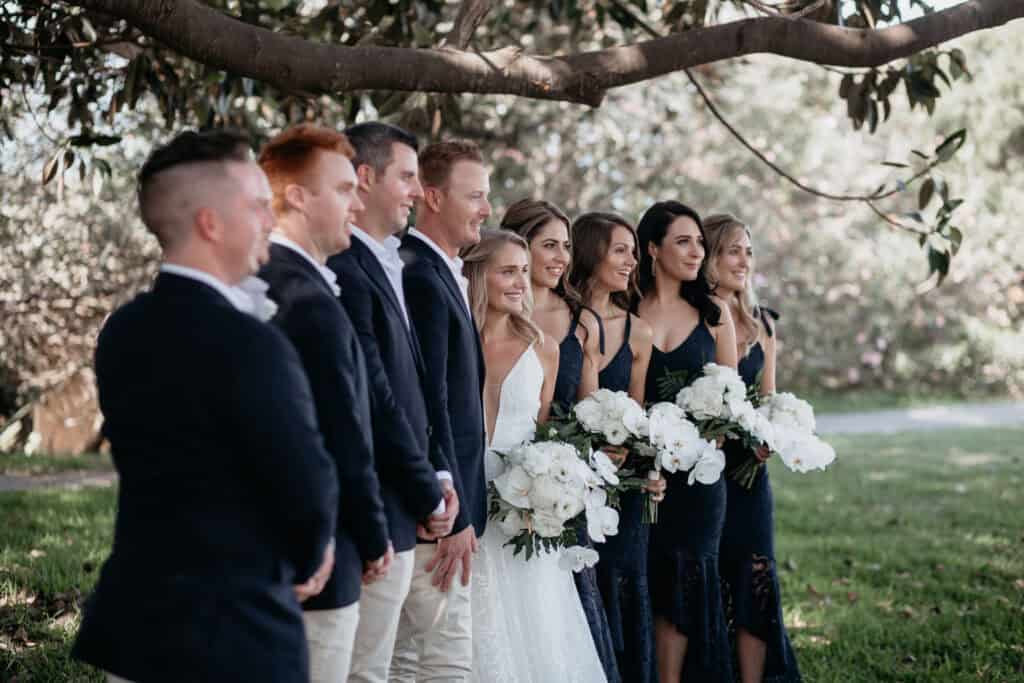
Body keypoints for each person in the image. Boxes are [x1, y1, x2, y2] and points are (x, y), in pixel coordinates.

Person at [73, 129, 338, 683]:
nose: (270, 219)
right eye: (257, 205)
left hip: (136, 626)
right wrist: (312, 553)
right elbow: (305, 482)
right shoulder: (251, 342)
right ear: (210, 224)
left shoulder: (122, 330)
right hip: (234, 632)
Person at [257, 124, 393, 682]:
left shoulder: (277, 280)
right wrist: (374, 535)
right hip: (318, 555)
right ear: (296, 196)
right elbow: (340, 431)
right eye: (342, 190)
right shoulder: (302, 297)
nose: (357, 204)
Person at [326, 122, 458, 682]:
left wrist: (439, 472)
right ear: (365, 176)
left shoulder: (388, 262)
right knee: (361, 672)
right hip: (376, 504)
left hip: (405, 504)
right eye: (406, 177)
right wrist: (424, 487)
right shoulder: (344, 269)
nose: (415, 191)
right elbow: (376, 393)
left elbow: (416, 387)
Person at [462, 228, 606, 682]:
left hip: (523, 511)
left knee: (537, 634)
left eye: (523, 272)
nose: (520, 282)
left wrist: (545, 485)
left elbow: (539, 434)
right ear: (477, 275)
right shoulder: (455, 339)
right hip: (463, 505)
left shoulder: (543, 347)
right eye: (507, 271)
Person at [499, 198, 619, 682]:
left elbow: (590, 412)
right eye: (549, 245)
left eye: (566, 247)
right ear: (519, 246)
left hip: (559, 487)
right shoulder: (489, 314)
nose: (561, 257)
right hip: (499, 474)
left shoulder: (581, 320)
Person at [391, 140, 490, 681]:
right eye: (474, 196)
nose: (486, 209)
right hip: (439, 515)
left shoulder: (439, 270)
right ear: (432, 197)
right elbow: (431, 403)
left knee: (409, 658)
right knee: (444, 660)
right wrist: (454, 512)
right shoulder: (419, 275)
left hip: (444, 508)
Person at [636, 201, 737, 682]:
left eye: (699, 242)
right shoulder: (626, 310)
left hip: (699, 482)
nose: (697, 251)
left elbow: (732, 401)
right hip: (641, 478)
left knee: (688, 585)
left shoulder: (715, 314)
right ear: (653, 249)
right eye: (683, 241)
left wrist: (709, 437)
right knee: (649, 583)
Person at [704, 213, 802, 683]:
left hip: (750, 474)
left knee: (755, 576)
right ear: (710, 257)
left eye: (748, 251)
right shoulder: (696, 319)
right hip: (704, 468)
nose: (743, 261)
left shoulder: (764, 324)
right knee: (712, 578)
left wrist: (773, 435)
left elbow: (769, 398)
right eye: (732, 251)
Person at [567, 212, 663, 683]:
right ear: (591, 253)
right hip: (567, 482)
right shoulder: (562, 320)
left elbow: (637, 416)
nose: (631, 261)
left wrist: (648, 469)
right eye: (620, 250)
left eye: (633, 252)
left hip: (623, 490)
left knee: (625, 586)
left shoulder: (638, 331)